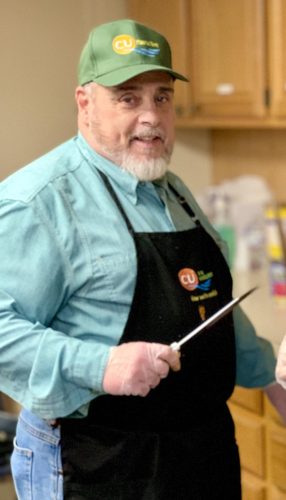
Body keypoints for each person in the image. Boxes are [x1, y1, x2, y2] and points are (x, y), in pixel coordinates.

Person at [1, 18, 286, 500]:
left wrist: (276, 388)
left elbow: (212, 309)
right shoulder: (38, 202)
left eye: (162, 97)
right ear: (85, 103)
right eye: (128, 98)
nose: (151, 116)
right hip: (96, 461)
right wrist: (101, 364)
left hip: (200, 453)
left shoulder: (172, 191)